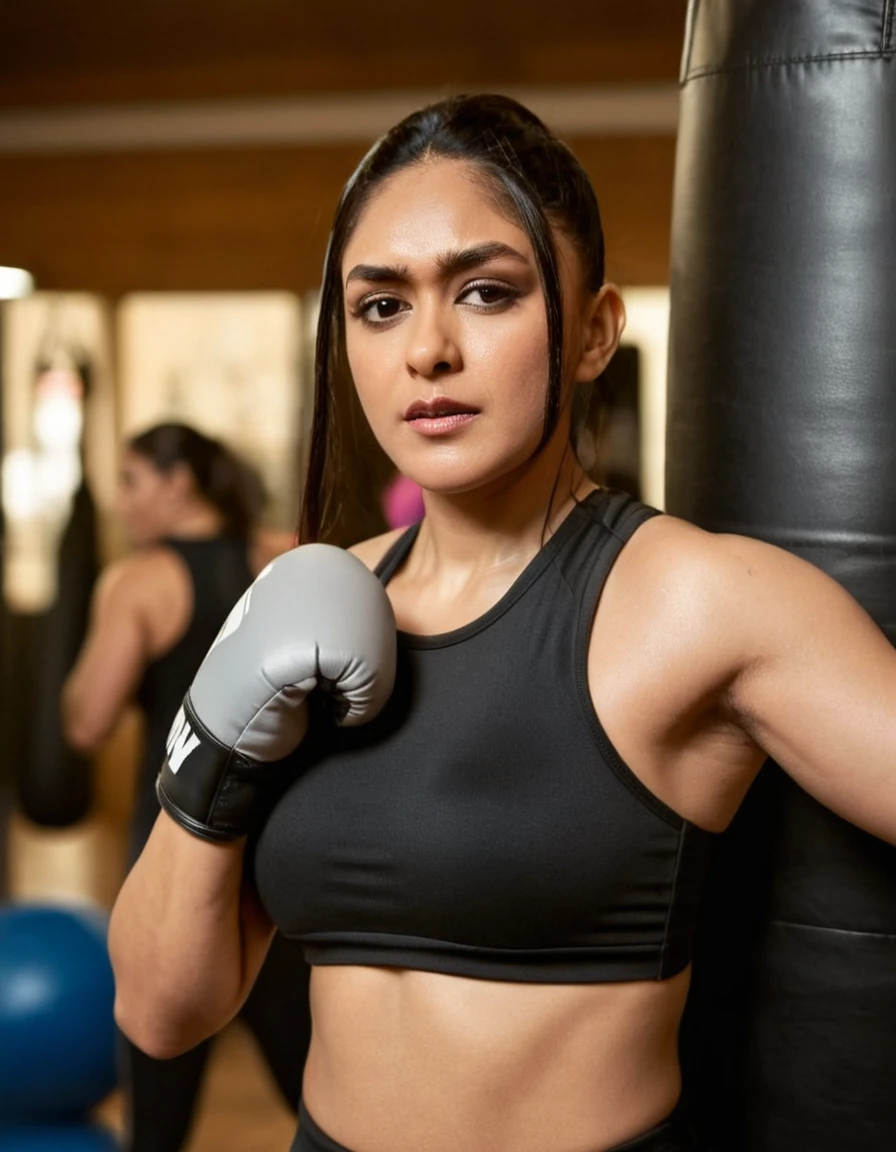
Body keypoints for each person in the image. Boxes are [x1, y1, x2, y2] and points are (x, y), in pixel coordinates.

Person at [107, 95, 896, 1152]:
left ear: (594, 334)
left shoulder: (694, 602)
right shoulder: (309, 603)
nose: (426, 350)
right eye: (378, 306)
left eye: (485, 293)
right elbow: (160, 1012)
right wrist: (211, 747)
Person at [62, 421, 311, 1151]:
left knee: (159, 1116)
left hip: (174, 855)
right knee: (320, 1091)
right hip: (278, 863)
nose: (120, 500)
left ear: (179, 483)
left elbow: (88, 723)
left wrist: (74, 649)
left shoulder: (138, 581)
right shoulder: (288, 559)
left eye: (132, 480)